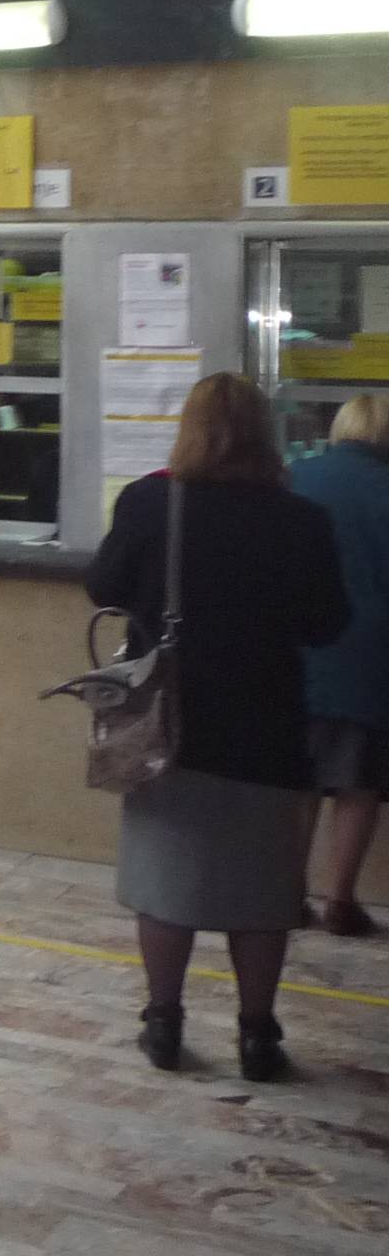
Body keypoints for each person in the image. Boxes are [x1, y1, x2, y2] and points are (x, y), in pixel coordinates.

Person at [85, 373, 350, 1080]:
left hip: (167, 727)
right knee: (262, 891)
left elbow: (103, 586)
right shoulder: (302, 520)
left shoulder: (150, 503)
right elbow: (327, 623)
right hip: (267, 725)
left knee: (163, 880)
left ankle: (164, 1022)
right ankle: (258, 1035)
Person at [294, 394, 389, 936]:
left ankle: (286, 895)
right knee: (358, 785)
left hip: (298, 655)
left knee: (299, 781)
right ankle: (340, 901)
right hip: (369, 661)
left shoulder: (295, 477)